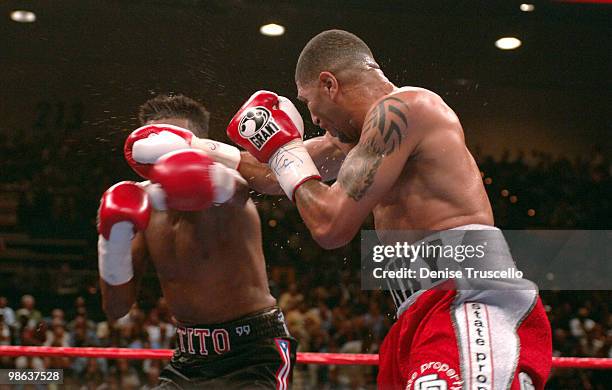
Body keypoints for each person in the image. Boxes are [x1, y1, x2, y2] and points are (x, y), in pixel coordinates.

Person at [220, 30, 551, 389]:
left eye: (308, 100)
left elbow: (330, 224)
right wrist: (193, 148)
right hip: (417, 311)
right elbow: (271, 175)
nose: (311, 117)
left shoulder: (404, 109)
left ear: (329, 84)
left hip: (467, 300)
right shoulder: (356, 141)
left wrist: (285, 151)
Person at [100, 94, 296, 389]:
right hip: (188, 360)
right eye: (154, 147)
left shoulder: (227, 189)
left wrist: (198, 169)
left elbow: (237, 190)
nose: (162, 157)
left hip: (253, 355)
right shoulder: (139, 205)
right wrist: (111, 243)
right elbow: (116, 308)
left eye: (171, 146)